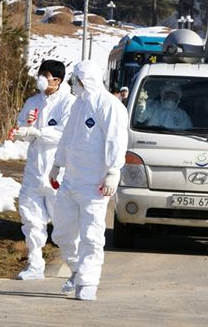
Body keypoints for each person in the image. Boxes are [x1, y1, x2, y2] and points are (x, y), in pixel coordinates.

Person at [50, 60, 128, 301]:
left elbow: (116, 140)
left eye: (76, 79)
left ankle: (88, 282)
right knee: (61, 233)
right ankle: (76, 270)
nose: (73, 84)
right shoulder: (78, 106)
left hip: (95, 185)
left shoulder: (110, 106)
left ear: (87, 80)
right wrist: (57, 164)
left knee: (91, 236)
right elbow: (67, 138)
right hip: (71, 181)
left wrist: (113, 171)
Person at [8, 60, 75, 280]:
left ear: (57, 80)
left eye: (45, 75)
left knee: (63, 224)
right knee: (31, 219)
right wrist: (22, 131)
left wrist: (37, 133)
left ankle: (77, 267)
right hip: (34, 171)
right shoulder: (33, 101)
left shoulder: (68, 103)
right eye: (40, 73)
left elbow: (64, 134)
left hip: (57, 171)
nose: (41, 79)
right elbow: (22, 125)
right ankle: (35, 265)